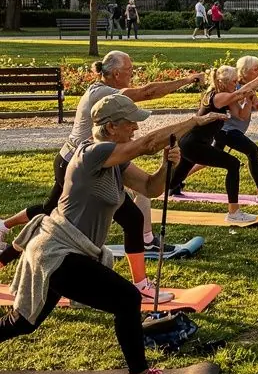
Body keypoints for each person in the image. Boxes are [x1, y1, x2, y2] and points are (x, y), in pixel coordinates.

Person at [0, 93, 222, 374]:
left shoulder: (116, 163)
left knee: (22, 323)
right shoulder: (92, 153)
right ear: (110, 127)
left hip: (69, 252)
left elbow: (151, 188)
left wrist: (165, 165)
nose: (134, 127)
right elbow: (146, 142)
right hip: (56, 251)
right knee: (127, 299)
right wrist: (194, 122)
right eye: (129, 122)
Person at [1, 51, 205, 291]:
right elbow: (148, 106)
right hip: (82, 162)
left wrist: (165, 165)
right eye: (130, 70)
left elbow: (150, 186)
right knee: (59, 220)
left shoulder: (105, 93)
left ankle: (4, 234)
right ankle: (140, 285)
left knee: (52, 215)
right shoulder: (105, 95)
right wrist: (189, 84)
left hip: (86, 159)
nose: (133, 73)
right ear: (116, 73)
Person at [169, 58, 258, 221]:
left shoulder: (226, 98)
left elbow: (241, 116)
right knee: (233, 164)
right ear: (223, 83)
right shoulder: (217, 97)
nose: (236, 84)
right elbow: (240, 92)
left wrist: (248, 100)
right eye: (234, 82)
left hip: (195, 144)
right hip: (192, 143)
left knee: (170, 183)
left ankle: (142, 193)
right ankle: (234, 213)